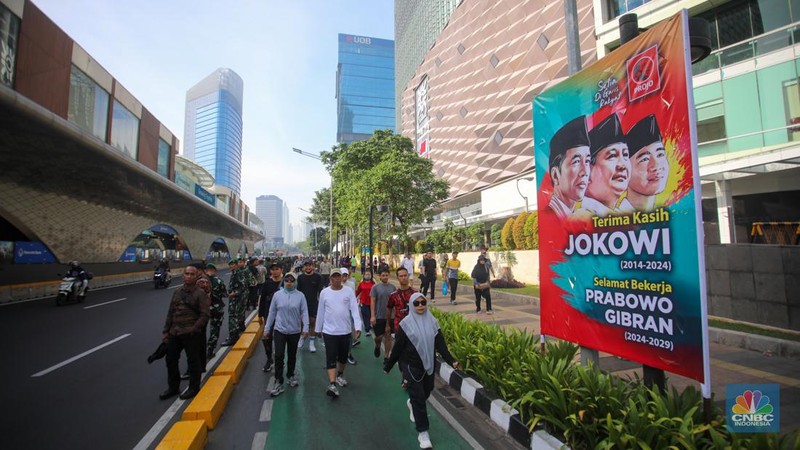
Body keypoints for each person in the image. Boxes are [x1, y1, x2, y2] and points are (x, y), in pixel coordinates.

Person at [383, 293, 459, 450]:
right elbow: (397, 348)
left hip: (428, 366)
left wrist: (451, 360)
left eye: (423, 302)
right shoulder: (405, 325)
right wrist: (388, 366)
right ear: (411, 305)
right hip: (411, 367)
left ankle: (412, 403)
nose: (420, 306)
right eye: (416, 303)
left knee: (427, 391)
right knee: (419, 399)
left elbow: (441, 345)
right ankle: (423, 433)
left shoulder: (432, 322)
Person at [159, 266, 209, 400]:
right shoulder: (177, 292)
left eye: (192, 274)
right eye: (186, 274)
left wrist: (194, 328)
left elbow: (205, 315)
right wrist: (166, 331)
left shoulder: (200, 293)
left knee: (193, 361)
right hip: (175, 332)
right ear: (183, 276)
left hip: (191, 333)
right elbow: (171, 312)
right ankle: (173, 387)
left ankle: (193, 387)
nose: (189, 276)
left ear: (196, 276)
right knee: (171, 359)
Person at [315, 268, 362, 398]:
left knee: (342, 357)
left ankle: (340, 375)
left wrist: (358, 327)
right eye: (334, 276)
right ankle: (332, 384)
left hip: (345, 331)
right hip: (329, 332)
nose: (336, 279)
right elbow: (320, 312)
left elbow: (354, 310)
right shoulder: (325, 292)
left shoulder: (348, 291)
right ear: (330, 278)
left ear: (342, 278)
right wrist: (318, 329)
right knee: (330, 357)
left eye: (338, 276)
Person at [264, 272, 309, 397]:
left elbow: (304, 312)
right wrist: (267, 329)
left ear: (295, 282)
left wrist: (305, 328)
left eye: (292, 280)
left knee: (292, 355)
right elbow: (272, 312)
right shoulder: (277, 295)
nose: (289, 282)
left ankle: (290, 375)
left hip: (294, 331)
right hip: (279, 330)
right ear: (284, 281)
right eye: (287, 280)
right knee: (278, 355)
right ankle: (279, 380)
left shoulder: (300, 296)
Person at [582, 113, 633, 217]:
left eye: (625, 155)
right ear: (588, 172)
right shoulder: (583, 218)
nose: (622, 165)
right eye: (612, 156)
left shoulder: (616, 217)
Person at [546, 116, 591, 220]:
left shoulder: (574, 216)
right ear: (555, 175)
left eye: (587, 161)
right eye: (576, 162)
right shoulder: (550, 218)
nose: (585, 172)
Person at [625, 114, 670, 212]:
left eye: (660, 155)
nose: (656, 166)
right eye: (645, 159)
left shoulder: (663, 217)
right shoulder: (610, 218)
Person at [386, 267, 416, 363]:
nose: (404, 278)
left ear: (408, 276)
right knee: (401, 355)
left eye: (405, 275)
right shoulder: (393, 295)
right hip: (399, 328)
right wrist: (387, 325)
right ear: (397, 278)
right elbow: (389, 309)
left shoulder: (415, 294)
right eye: (401, 276)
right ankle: (404, 375)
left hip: (414, 328)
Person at [259, 262, 283, 372]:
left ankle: (280, 360)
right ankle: (269, 359)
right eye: (273, 269)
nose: (275, 271)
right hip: (269, 314)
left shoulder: (286, 282)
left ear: (281, 270)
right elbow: (262, 299)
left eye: (277, 269)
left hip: (283, 315)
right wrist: (260, 315)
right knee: (266, 337)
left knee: (281, 339)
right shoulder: (267, 284)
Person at [370, 267, 396, 361]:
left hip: (390, 316)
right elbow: (372, 302)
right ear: (379, 276)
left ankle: (386, 356)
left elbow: (395, 302)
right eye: (383, 275)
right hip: (379, 316)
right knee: (379, 337)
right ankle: (377, 345)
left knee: (388, 336)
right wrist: (372, 316)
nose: (385, 277)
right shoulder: (375, 288)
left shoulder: (393, 287)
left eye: (386, 275)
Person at [297, 260, 323, 353]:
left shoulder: (318, 277)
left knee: (312, 322)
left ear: (313, 266)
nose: (308, 268)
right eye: (306, 266)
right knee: (302, 323)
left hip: (314, 303)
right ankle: (302, 338)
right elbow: (298, 291)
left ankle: (312, 342)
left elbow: (321, 291)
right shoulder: (300, 277)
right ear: (303, 267)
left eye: (310, 266)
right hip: (302, 304)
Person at [221, 258, 247, 346]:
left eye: (233, 264)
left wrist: (234, 293)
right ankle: (235, 334)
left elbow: (243, 286)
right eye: (230, 265)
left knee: (233, 316)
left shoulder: (238, 273)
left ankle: (233, 337)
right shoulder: (234, 273)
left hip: (237, 298)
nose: (231, 266)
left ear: (236, 265)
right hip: (235, 298)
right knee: (236, 316)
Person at [204, 263, 227, 359]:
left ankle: (200, 351)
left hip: (203, 310)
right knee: (215, 329)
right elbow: (225, 294)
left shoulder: (200, 281)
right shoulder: (219, 281)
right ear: (215, 271)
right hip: (216, 309)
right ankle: (210, 349)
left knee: (200, 331)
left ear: (205, 271)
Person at [341, 268, 358, 364]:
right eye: (342, 275)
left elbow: (353, 299)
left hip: (349, 313)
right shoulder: (335, 285)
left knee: (350, 334)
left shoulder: (351, 285)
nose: (344, 277)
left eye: (345, 275)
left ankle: (348, 353)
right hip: (338, 315)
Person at [355, 269, 376, 337]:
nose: (367, 276)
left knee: (371, 315)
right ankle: (367, 329)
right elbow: (357, 291)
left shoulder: (373, 284)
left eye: (369, 274)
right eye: (366, 274)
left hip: (372, 302)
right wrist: (354, 298)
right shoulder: (361, 284)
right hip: (363, 302)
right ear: (364, 276)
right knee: (365, 315)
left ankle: (371, 325)